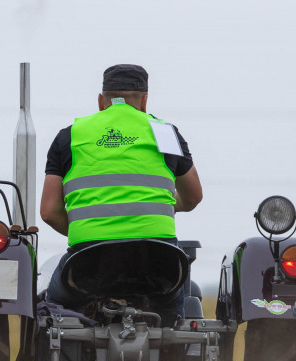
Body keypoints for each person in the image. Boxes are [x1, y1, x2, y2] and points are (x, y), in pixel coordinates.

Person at [39, 64, 202, 323]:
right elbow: (193, 197)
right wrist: (168, 207)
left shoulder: (70, 136)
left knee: (53, 308)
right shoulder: (164, 132)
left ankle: (51, 360)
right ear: (144, 101)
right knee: (172, 318)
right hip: (159, 263)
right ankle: (173, 354)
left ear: (101, 101)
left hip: (88, 262)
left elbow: (48, 212)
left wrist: (90, 226)